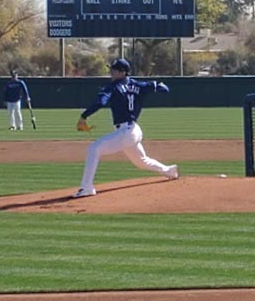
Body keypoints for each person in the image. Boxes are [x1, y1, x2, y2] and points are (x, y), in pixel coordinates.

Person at [74, 58, 179, 198]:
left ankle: (87, 187)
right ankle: (169, 170)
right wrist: (152, 86)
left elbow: (101, 102)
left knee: (94, 149)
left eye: (114, 70)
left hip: (126, 132)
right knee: (141, 161)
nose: (111, 72)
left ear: (122, 72)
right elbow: (163, 88)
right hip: (133, 130)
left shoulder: (113, 87)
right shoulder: (139, 85)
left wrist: (84, 116)